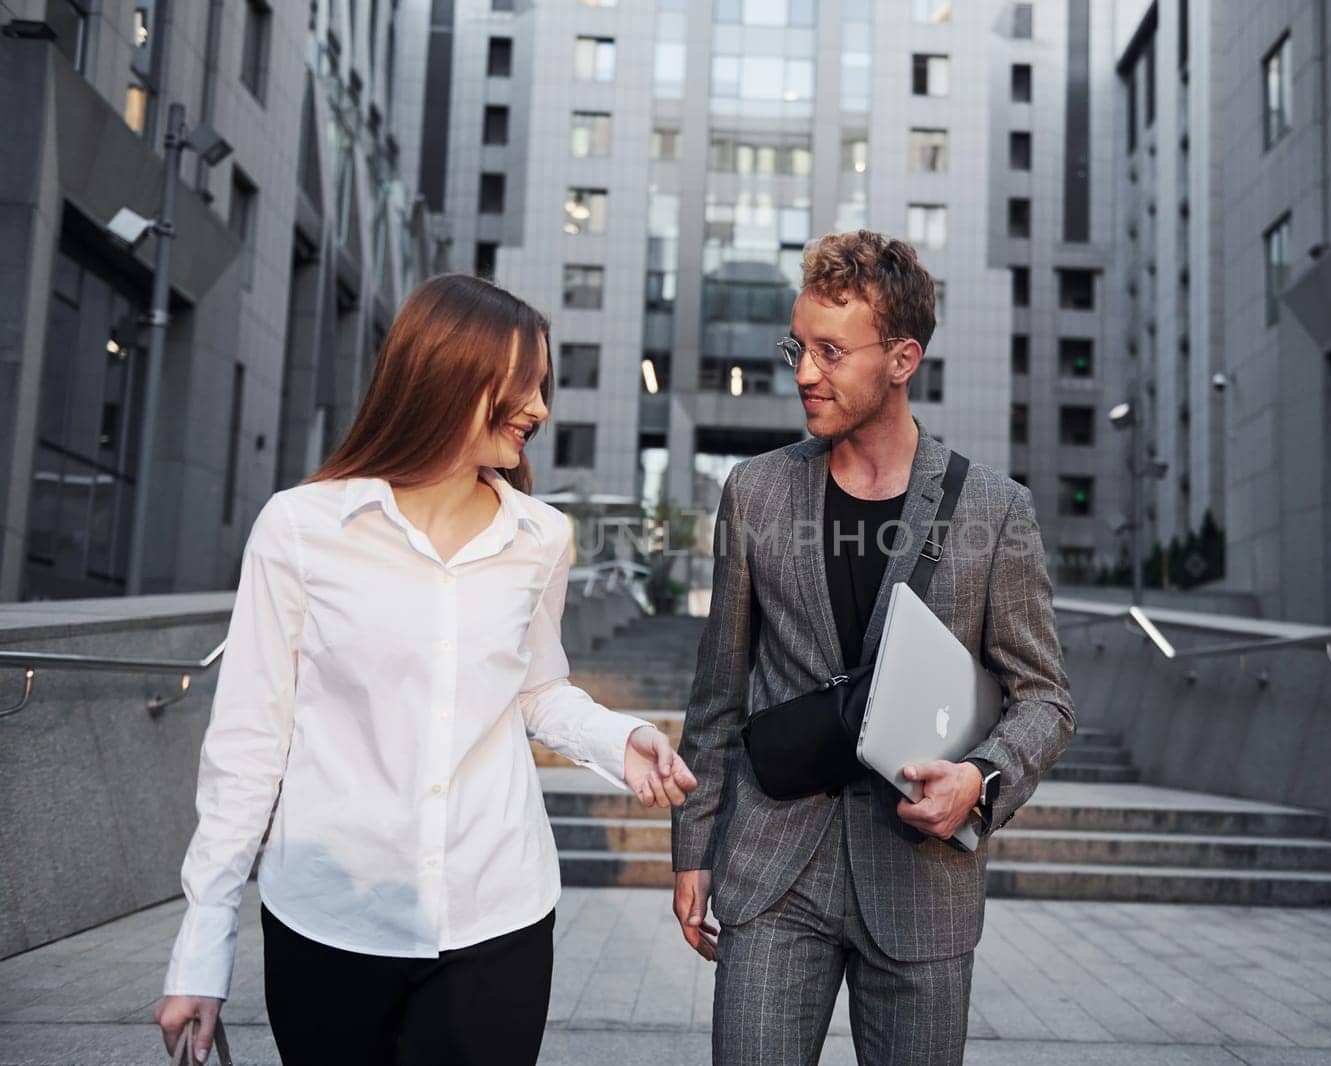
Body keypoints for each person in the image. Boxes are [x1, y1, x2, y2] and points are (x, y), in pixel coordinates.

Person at [154, 273, 696, 1064]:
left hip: (498, 913)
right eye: (523, 384)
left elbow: (539, 688)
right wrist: (200, 949)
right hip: (330, 917)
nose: (541, 408)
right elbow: (247, 743)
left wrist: (620, 740)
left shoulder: (540, 537)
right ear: (446, 373)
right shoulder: (302, 529)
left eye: (542, 385)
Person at [670, 230, 1075, 1065]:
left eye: (829, 350)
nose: (804, 372)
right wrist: (694, 851)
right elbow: (718, 691)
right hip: (773, 871)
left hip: (922, 881)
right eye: (797, 346)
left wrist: (982, 779)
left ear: (901, 358)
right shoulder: (755, 492)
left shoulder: (993, 509)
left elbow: (1045, 696)